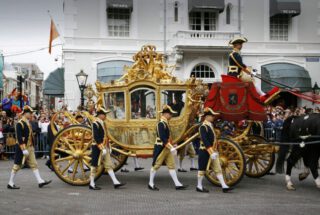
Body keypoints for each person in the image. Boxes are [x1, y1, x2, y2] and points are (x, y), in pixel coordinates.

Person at [7, 105, 51, 189]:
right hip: (21, 148)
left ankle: (40, 181)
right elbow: (19, 138)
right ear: (25, 113)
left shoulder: (27, 122)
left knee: (34, 164)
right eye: (30, 113)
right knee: (17, 165)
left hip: (30, 147)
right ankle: (10, 182)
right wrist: (23, 149)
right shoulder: (20, 123)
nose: (31, 115)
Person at [148, 105, 187, 191]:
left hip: (167, 147)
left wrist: (172, 145)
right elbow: (163, 138)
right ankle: (150, 183)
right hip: (161, 147)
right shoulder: (161, 124)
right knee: (156, 165)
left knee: (171, 165)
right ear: (165, 114)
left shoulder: (165, 123)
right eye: (170, 114)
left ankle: (177, 184)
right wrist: (171, 147)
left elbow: (168, 137)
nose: (171, 116)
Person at [228, 36, 279, 101]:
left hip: (237, 73)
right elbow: (240, 65)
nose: (241, 46)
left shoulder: (236, 54)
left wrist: (251, 71)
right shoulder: (234, 54)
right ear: (236, 45)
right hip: (235, 75)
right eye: (240, 44)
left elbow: (242, 66)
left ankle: (261, 95)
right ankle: (262, 95)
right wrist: (250, 72)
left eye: (241, 44)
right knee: (252, 80)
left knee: (252, 80)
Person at [196, 107, 233, 193]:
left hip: (213, 151)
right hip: (204, 151)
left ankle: (224, 186)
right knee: (202, 169)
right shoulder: (203, 127)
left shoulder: (209, 125)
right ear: (206, 116)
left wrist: (214, 151)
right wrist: (211, 152)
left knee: (218, 168)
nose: (213, 117)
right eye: (211, 116)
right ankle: (199, 186)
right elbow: (205, 141)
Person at [89, 106, 125, 190]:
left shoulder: (102, 123)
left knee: (109, 165)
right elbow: (96, 137)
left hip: (104, 147)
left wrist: (108, 146)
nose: (105, 116)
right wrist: (102, 148)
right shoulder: (95, 123)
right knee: (94, 165)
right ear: (100, 115)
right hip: (97, 147)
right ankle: (91, 183)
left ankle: (115, 182)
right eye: (104, 114)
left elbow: (106, 136)